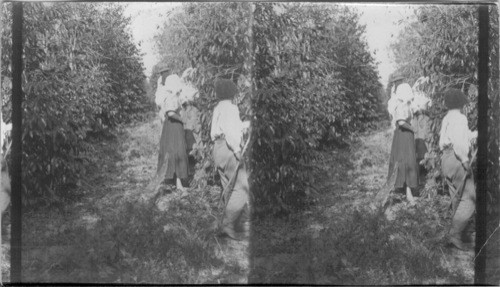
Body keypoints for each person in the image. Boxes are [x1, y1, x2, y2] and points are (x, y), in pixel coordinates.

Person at [211, 79, 250, 241]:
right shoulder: (232, 108)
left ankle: (231, 225)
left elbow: (227, 127)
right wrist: (237, 150)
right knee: (241, 188)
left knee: (228, 186)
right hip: (228, 149)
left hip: (217, 149)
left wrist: (245, 125)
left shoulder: (218, 108)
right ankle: (227, 225)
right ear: (232, 92)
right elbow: (231, 133)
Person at [439, 88, 477, 250]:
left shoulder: (447, 118)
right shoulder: (460, 118)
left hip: (446, 160)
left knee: (457, 197)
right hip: (456, 159)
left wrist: (475, 134)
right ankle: (454, 234)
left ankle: (458, 236)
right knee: (469, 199)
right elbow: (459, 144)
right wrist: (465, 161)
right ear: (462, 103)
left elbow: (460, 136)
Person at [155, 71, 189, 192]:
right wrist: (182, 120)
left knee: (174, 153)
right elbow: (170, 112)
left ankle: (175, 181)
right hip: (174, 126)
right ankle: (177, 183)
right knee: (177, 152)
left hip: (171, 127)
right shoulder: (171, 97)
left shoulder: (171, 96)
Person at [387, 81, 419, 205]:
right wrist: (413, 129)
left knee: (405, 161)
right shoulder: (401, 106)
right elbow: (401, 122)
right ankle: (407, 192)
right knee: (406, 161)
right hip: (404, 135)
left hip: (402, 136)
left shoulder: (403, 104)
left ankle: (406, 191)